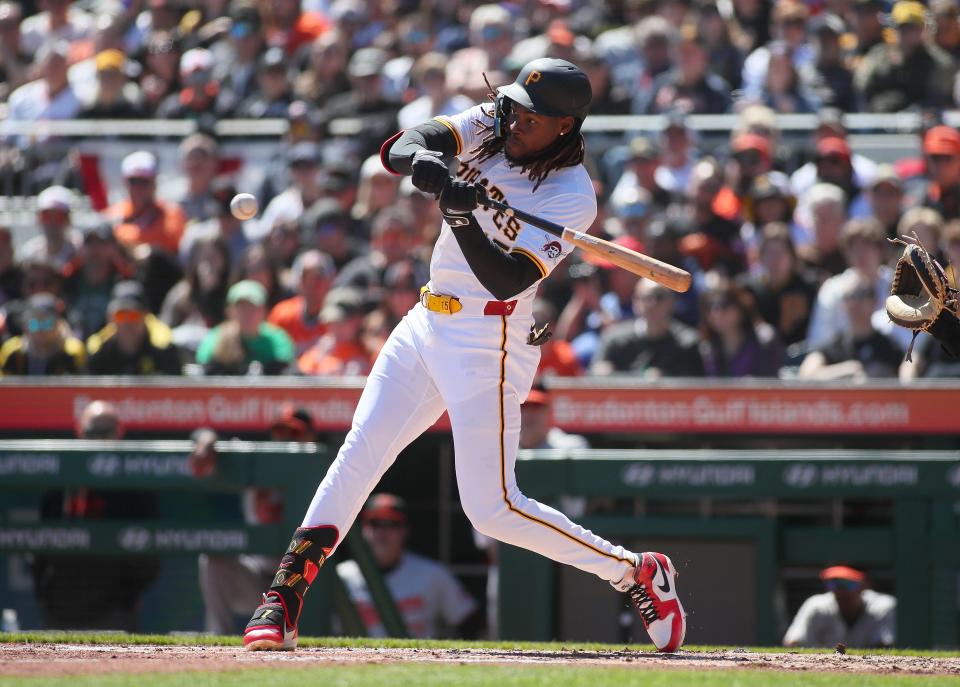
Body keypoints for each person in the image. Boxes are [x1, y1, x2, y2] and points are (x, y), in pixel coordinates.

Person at [242, 59, 686, 654]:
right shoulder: (497, 121)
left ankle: (636, 572)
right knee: (360, 452)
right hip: (425, 321)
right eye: (515, 110)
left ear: (564, 127)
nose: (516, 123)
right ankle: (283, 597)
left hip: (490, 339)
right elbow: (405, 143)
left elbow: (505, 278)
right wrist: (426, 163)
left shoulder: (571, 195)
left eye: (533, 119)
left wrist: (463, 212)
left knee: (491, 509)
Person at [31, 401, 160, 631]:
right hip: (59, 608)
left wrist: (127, 598)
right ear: (79, 431)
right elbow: (39, 547)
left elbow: (151, 553)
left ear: (118, 433)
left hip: (114, 611)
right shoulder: (61, 478)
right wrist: (45, 594)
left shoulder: (134, 483)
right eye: (92, 432)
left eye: (105, 433)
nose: (98, 439)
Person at [192, 407, 317, 635]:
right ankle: (219, 639)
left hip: (306, 582)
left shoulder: (321, 470)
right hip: (259, 578)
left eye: (294, 433)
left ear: (310, 437)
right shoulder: (256, 462)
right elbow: (207, 434)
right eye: (281, 432)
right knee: (214, 558)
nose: (285, 439)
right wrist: (204, 443)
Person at [336, 494, 481, 639]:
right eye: (375, 523)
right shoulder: (342, 575)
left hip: (415, 659)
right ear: (363, 529)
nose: (382, 533)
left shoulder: (432, 574)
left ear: (405, 530)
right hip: (359, 659)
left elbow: (469, 621)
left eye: (391, 524)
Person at [592, 278, 705, 378]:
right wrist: (642, 378)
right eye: (646, 297)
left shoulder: (687, 342)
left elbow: (694, 383)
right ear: (635, 301)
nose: (652, 303)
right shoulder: (614, 337)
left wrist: (664, 380)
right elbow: (595, 374)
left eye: (659, 297)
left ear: (672, 302)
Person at [196, 279, 294, 375]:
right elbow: (203, 370)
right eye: (241, 308)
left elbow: (286, 369)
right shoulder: (216, 338)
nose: (247, 314)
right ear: (229, 311)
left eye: (252, 308)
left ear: (264, 311)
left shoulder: (278, 339)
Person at [783, 566, 896, 648]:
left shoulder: (883, 606)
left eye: (848, 584)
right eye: (834, 583)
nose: (841, 590)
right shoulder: (816, 605)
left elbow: (889, 646)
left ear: (864, 585)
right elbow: (793, 642)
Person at [86, 281, 181, 375]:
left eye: (133, 315)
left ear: (146, 316)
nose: (127, 322)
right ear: (110, 318)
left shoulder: (163, 351)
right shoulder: (99, 353)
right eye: (120, 315)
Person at [106, 150, 186, 257]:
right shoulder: (115, 212)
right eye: (133, 181)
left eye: (144, 181)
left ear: (154, 183)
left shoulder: (171, 212)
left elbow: (169, 238)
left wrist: (123, 240)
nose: (138, 188)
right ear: (125, 183)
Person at [0, 292, 85, 375]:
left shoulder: (72, 352)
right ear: (25, 326)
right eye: (34, 324)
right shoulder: (12, 352)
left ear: (58, 324)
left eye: (47, 323)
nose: (41, 330)